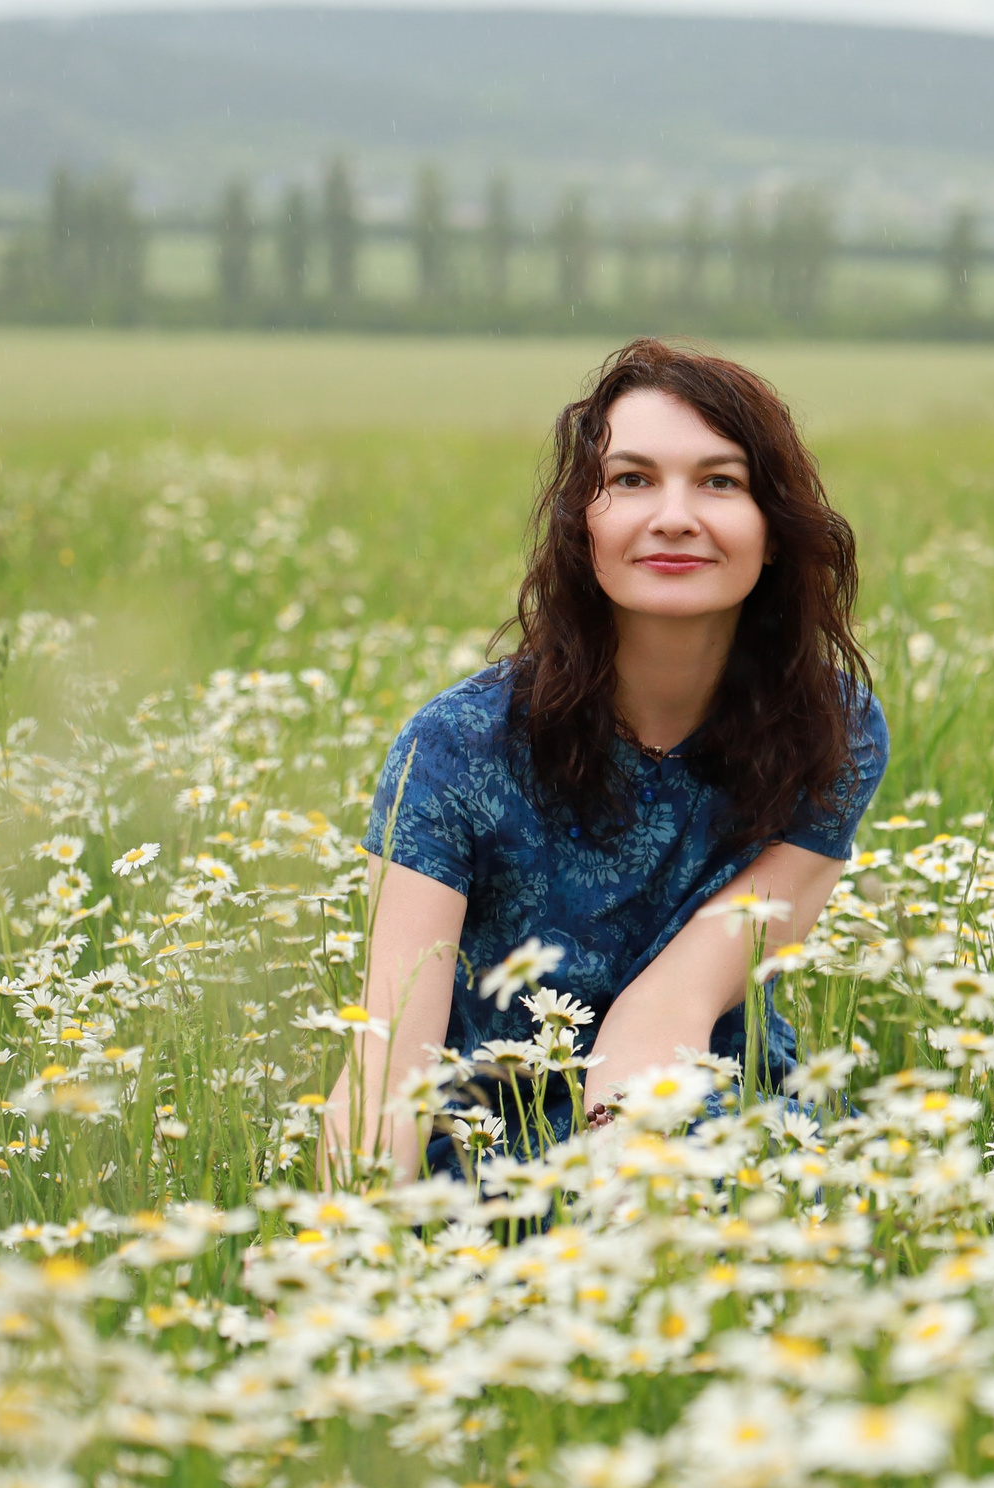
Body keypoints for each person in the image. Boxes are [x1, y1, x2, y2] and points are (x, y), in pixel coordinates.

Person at [321, 338, 888, 1179]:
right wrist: (340, 1250)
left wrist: (639, 1211)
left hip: (706, 1117)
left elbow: (667, 1013)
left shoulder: (829, 728)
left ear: (773, 531)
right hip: (494, 1159)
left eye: (719, 481)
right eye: (631, 479)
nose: (673, 516)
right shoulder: (455, 749)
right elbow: (389, 1058)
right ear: (583, 524)